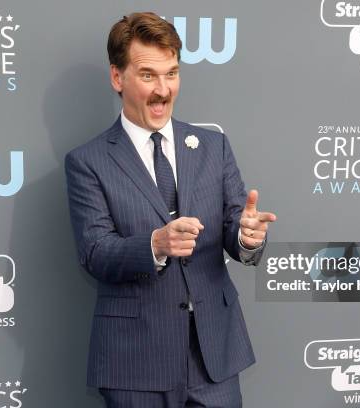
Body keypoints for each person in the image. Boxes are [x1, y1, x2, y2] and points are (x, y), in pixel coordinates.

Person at [65, 12, 276, 407]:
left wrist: (247, 238)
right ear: (117, 78)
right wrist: (155, 245)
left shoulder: (214, 146)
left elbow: (235, 229)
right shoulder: (88, 161)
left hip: (213, 355)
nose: (164, 89)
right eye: (148, 75)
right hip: (135, 362)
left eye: (172, 73)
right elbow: (94, 252)